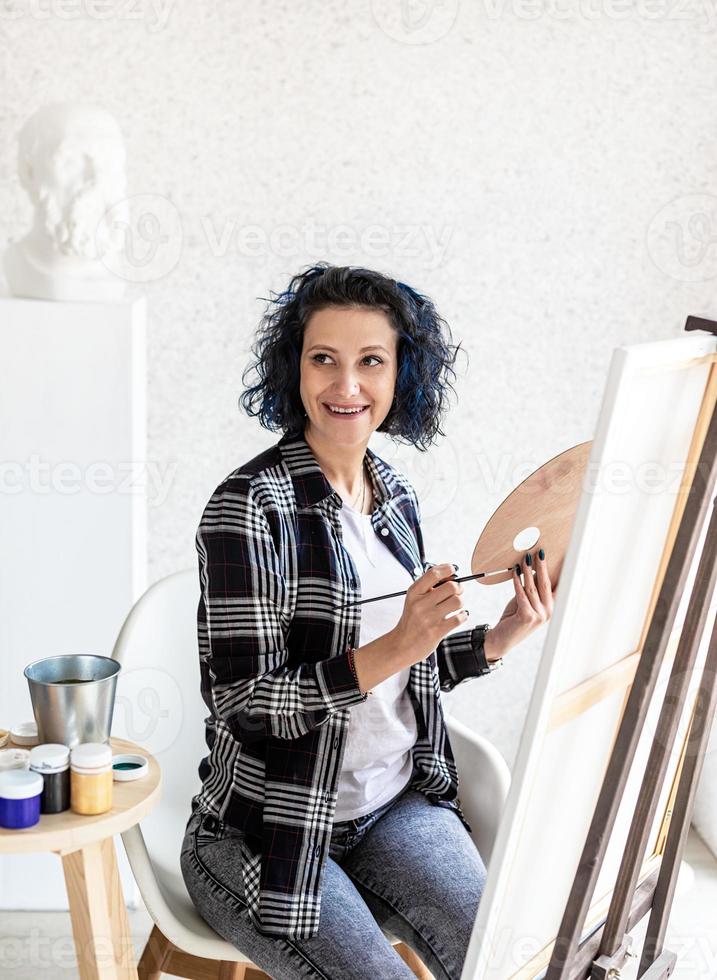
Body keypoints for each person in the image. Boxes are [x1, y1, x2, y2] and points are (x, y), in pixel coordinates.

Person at [180, 263, 555, 980]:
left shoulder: (394, 495)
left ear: (399, 375)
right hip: (268, 832)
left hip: (393, 807)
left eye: (369, 362)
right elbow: (246, 707)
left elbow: (403, 674)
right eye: (323, 359)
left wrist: (497, 639)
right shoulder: (246, 508)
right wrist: (398, 642)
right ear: (293, 367)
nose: (345, 386)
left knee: (508, 960)